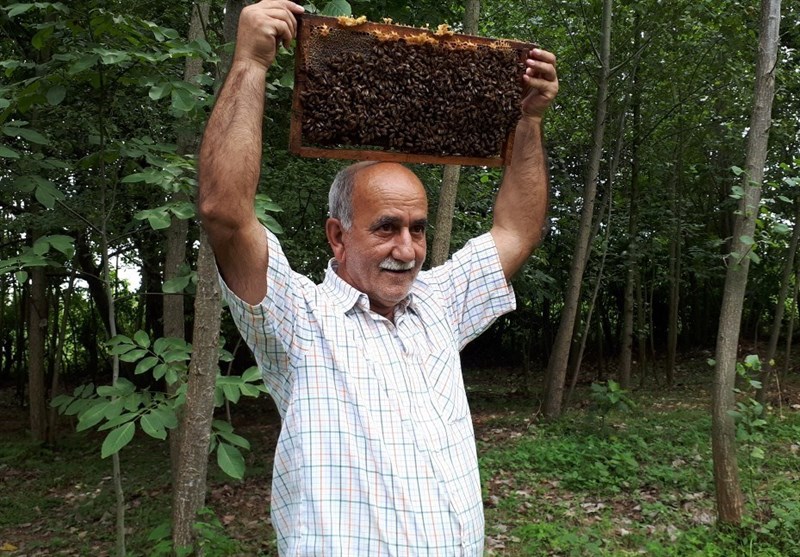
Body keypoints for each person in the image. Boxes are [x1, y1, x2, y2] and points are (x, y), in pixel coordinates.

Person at [197, 1, 559, 554]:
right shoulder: (298, 319)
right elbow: (224, 212)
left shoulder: (440, 303)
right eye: (386, 228)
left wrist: (527, 121)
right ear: (338, 238)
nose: (408, 249)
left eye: (417, 228)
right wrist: (250, 61)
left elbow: (516, 230)